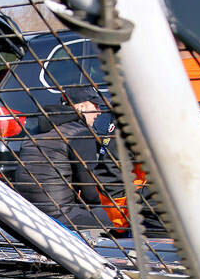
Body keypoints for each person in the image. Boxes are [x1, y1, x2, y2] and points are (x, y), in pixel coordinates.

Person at [8, 89, 120, 232]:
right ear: (81, 107)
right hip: (60, 217)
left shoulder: (36, 131)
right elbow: (91, 193)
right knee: (115, 216)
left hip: (30, 213)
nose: (99, 112)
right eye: (95, 106)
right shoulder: (80, 132)